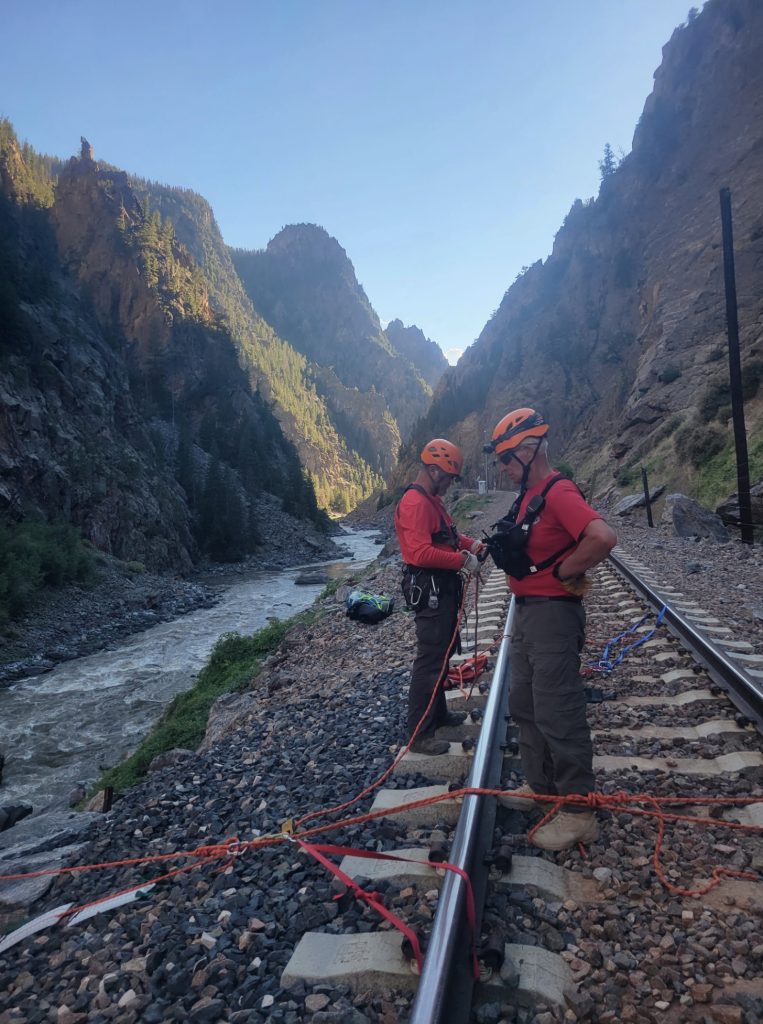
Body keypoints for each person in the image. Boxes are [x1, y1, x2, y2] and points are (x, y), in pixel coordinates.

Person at [485, 408, 617, 850]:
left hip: (553, 616)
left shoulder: (558, 492)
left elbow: (602, 537)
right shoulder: (530, 494)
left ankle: (578, 811)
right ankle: (542, 788)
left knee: (557, 708)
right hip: (528, 613)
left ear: (528, 451)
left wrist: (565, 570)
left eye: (506, 459)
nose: (502, 468)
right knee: (525, 703)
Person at [395, 439, 484, 755]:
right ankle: (419, 735)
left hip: (441, 589)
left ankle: (439, 713)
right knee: (430, 661)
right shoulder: (415, 503)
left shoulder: (432, 501)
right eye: (448, 477)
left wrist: (472, 545)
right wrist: (462, 561)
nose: (449, 484)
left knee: (443, 655)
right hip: (430, 589)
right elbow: (420, 553)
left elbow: (449, 536)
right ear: (434, 471)